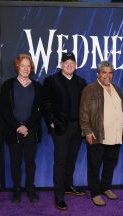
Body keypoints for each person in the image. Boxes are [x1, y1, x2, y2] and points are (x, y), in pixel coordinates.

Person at [43, 52, 87, 211]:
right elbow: (46, 104)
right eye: (66, 62)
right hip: (61, 127)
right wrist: (52, 122)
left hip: (77, 127)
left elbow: (85, 106)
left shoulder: (81, 82)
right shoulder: (51, 81)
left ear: (75, 65)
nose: (69, 65)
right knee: (61, 161)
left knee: (71, 158)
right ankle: (59, 195)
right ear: (61, 64)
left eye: (72, 62)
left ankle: (68, 186)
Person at [79, 61, 123, 207]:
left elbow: (120, 110)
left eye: (110, 72)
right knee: (94, 165)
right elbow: (83, 113)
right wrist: (87, 131)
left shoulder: (116, 89)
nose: (107, 75)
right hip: (97, 135)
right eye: (104, 72)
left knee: (110, 164)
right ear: (98, 74)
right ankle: (95, 193)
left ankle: (105, 187)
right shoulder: (90, 89)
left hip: (115, 135)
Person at [0, 54, 43, 203]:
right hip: (13, 131)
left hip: (31, 131)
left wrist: (26, 126)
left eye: (28, 66)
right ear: (17, 66)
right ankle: (17, 189)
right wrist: (17, 126)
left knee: (30, 162)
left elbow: (39, 110)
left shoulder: (37, 87)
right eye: (23, 65)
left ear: (31, 68)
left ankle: (30, 189)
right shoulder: (7, 85)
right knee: (15, 162)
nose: (25, 68)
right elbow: (4, 110)